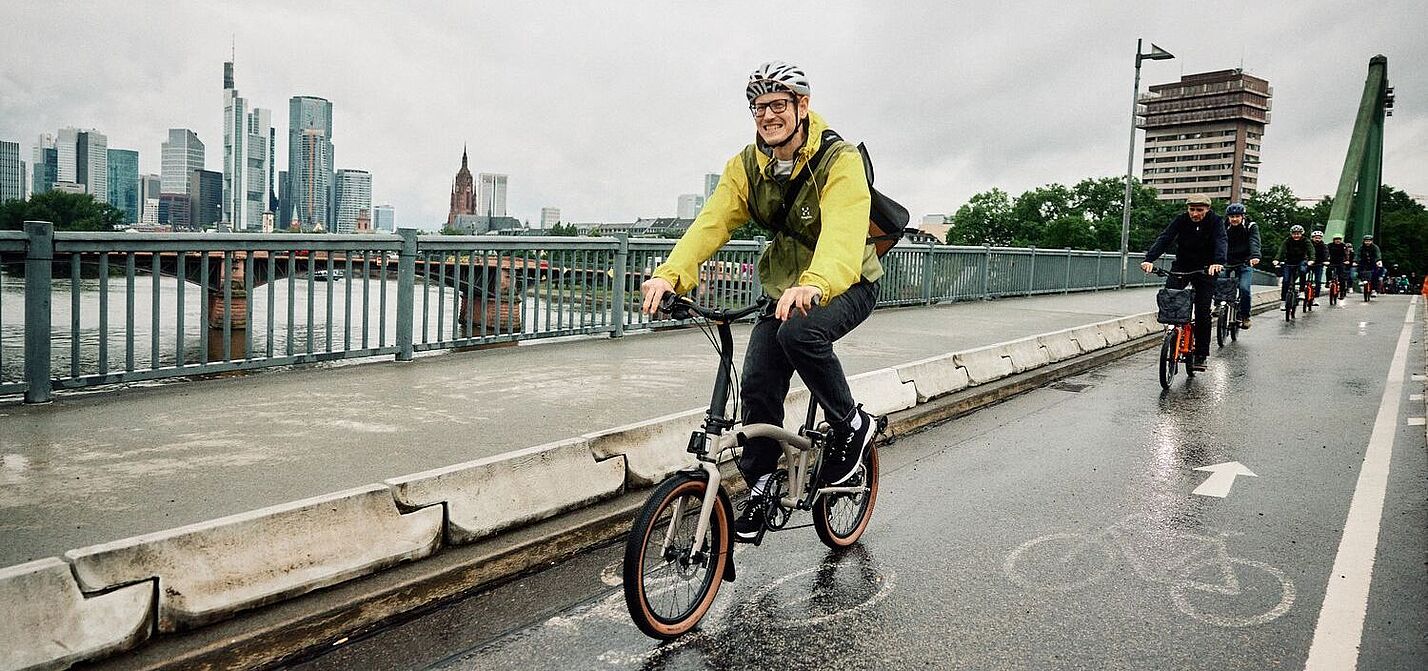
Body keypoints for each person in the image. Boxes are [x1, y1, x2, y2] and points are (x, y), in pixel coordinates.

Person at [640, 61, 883, 543]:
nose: (767, 116)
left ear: (802, 106)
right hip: (784, 288)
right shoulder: (747, 166)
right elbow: (711, 223)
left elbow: (841, 235)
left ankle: (853, 425)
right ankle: (763, 482)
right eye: (758, 108)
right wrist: (671, 275)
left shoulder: (840, 160)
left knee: (801, 334)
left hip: (848, 280)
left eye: (777, 105)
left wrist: (815, 283)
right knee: (756, 381)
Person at [1140, 194, 1226, 371]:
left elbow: (1221, 241)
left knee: (1202, 310)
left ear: (1207, 209)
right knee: (1170, 300)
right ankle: (1173, 337)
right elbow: (1165, 238)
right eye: (1192, 209)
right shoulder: (1181, 220)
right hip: (1182, 266)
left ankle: (1201, 354)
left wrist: (1218, 262)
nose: (1195, 214)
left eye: (1199, 210)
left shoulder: (1216, 221)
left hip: (1206, 269)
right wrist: (1150, 259)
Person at [1222, 202, 1260, 329]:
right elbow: (1218, 241)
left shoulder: (1250, 226)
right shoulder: (1223, 226)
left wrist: (1255, 256)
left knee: (1244, 288)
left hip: (1245, 261)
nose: (1234, 219)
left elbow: (1254, 241)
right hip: (1227, 260)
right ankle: (1219, 305)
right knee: (1219, 282)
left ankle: (1245, 316)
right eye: (1231, 216)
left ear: (1243, 216)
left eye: (1237, 216)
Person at [1275, 225, 1313, 308]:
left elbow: (1311, 250)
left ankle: (1302, 291)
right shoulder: (1288, 240)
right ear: (1291, 234)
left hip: (1301, 260)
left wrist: (1311, 260)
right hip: (1289, 261)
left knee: (1303, 270)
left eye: (1298, 234)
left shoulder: (1305, 241)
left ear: (1302, 234)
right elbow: (1281, 250)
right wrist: (1277, 259)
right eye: (1294, 234)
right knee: (1285, 281)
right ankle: (1283, 301)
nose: (1296, 235)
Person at [1327, 233, 1352, 299]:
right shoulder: (1329, 245)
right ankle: (1328, 281)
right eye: (1336, 239)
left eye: (1339, 239)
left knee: (1342, 278)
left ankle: (1342, 292)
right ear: (1333, 240)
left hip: (1341, 262)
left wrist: (1347, 260)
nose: (1337, 240)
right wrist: (1326, 259)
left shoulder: (1343, 246)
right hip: (1332, 261)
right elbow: (1326, 253)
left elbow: (1347, 254)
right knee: (1328, 270)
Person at [1309, 230, 1329, 305]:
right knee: (1302, 274)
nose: (1317, 239)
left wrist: (1326, 260)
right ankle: (1301, 292)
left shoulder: (1323, 246)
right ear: (1312, 238)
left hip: (1318, 264)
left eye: (1319, 238)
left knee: (1318, 281)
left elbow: (1326, 253)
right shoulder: (1309, 244)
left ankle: (1316, 298)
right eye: (1315, 238)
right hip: (1309, 263)